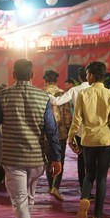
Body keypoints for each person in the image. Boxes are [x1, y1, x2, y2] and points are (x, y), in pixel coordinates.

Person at [0, 59, 61, 218]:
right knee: (28, 199)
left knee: (19, 201)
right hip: (36, 159)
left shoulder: (3, 96)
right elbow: (51, 130)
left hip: (13, 158)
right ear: (33, 75)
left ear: (13, 74)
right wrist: (56, 157)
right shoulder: (43, 97)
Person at [68, 61, 110, 218]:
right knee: (102, 177)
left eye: (87, 74)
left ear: (91, 75)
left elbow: (76, 120)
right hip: (104, 140)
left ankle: (85, 197)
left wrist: (71, 138)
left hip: (88, 140)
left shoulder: (83, 94)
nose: (86, 77)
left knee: (89, 174)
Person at [49, 67, 90, 192]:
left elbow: (57, 101)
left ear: (79, 78)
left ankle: (83, 187)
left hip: (80, 130)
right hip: (98, 131)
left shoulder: (75, 90)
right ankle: (92, 189)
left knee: (81, 159)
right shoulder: (103, 91)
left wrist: (46, 94)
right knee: (96, 162)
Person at [42, 70, 71, 201]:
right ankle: (55, 187)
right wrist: (70, 130)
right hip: (60, 133)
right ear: (56, 80)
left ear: (45, 80)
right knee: (59, 159)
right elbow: (67, 116)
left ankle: (49, 186)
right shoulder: (62, 94)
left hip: (45, 133)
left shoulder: (40, 94)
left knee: (48, 160)